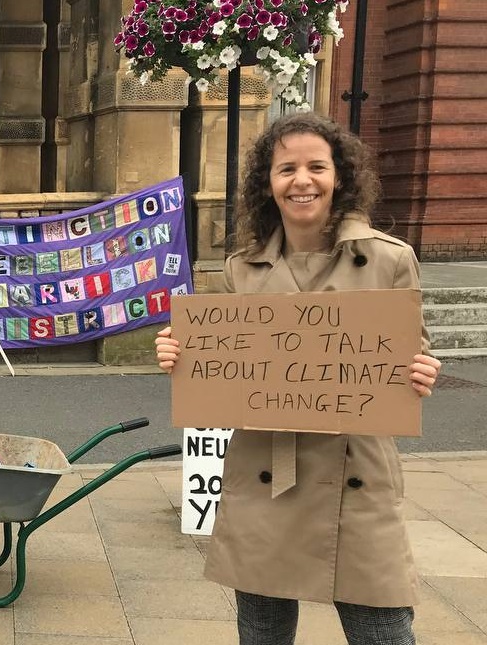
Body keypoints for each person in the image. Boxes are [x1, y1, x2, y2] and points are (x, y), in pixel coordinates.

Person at [154, 112, 441, 645]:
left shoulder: (389, 259)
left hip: (357, 475)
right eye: (286, 169)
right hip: (266, 470)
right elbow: (225, 359)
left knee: (384, 631)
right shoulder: (241, 268)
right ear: (269, 182)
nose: (302, 181)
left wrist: (422, 371)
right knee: (261, 633)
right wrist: (180, 355)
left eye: (316, 167)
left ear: (340, 177)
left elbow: (411, 354)